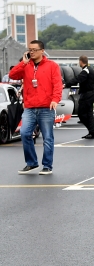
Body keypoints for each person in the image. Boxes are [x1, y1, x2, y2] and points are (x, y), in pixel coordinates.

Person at [9, 39, 62, 175]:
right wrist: (23, 63)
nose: (31, 52)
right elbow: (12, 75)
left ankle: (47, 166)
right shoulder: (26, 65)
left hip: (46, 107)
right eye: (29, 50)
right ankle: (31, 163)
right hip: (30, 107)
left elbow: (57, 84)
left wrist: (55, 99)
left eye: (34, 50)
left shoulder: (52, 66)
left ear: (42, 51)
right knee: (24, 133)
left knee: (47, 137)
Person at [76, 56, 94, 139]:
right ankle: (91, 132)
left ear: (81, 61)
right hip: (92, 93)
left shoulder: (85, 70)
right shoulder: (91, 70)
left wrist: (66, 84)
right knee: (89, 113)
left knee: (81, 114)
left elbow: (78, 79)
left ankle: (91, 130)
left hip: (86, 95)